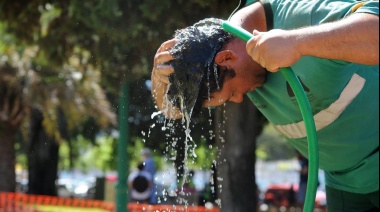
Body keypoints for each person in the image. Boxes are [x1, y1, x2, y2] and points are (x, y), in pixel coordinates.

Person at [151, 0, 379, 211]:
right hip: (344, 183)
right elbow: (173, 111)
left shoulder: (298, 13)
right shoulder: (218, 65)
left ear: (227, 59)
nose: (240, 99)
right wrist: (159, 80)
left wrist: (298, 43)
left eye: (231, 94)